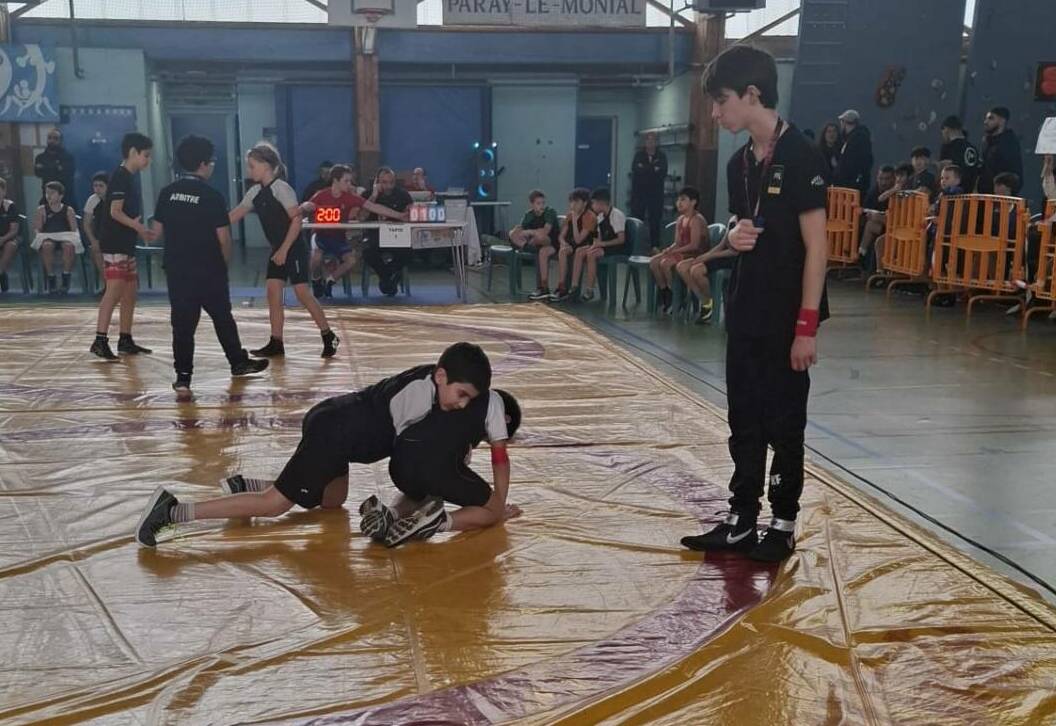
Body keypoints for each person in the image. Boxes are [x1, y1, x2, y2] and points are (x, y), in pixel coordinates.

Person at [680, 44, 829, 563]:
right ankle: (741, 518)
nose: (715, 113)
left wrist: (806, 327)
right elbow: (745, 226)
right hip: (747, 308)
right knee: (743, 417)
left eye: (720, 101)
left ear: (752, 94)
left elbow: (817, 249)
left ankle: (782, 523)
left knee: (784, 422)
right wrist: (729, 239)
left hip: (787, 316)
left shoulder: (802, 155)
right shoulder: (738, 164)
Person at [133, 342, 504, 547]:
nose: (462, 405)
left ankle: (245, 485)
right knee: (274, 504)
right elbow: (418, 458)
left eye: (470, 400)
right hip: (334, 433)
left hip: (337, 426)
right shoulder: (418, 398)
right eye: (461, 395)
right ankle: (172, 511)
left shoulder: (431, 380)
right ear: (441, 377)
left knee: (332, 499)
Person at [153, 135, 269, 392]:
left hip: (177, 270)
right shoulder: (212, 196)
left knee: (182, 325)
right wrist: (222, 266)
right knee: (222, 318)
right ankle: (237, 362)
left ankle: (183, 377)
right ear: (203, 164)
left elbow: (156, 231)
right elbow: (224, 238)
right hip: (208, 270)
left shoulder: (167, 193)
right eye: (212, 161)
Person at [361, 388, 523, 547]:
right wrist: (499, 505)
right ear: (505, 419)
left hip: (399, 465)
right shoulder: (494, 401)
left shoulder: (448, 388)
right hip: (436, 466)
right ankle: (439, 522)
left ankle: (391, 513)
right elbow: (500, 461)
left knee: (424, 491)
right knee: (492, 511)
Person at [229, 142, 339, 359]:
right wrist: (209, 222)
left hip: (293, 247)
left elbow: (296, 221)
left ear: (266, 166)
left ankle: (329, 335)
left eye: (252, 166)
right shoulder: (254, 192)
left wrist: (284, 250)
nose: (249, 171)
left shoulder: (282, 189)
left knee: (302, 293)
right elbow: (235, 214)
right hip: (278, 249)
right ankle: (276, 342)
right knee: (273, 292)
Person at [90, 132, 156, 361]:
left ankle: (125, 339)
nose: (148, 160)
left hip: (125, 242)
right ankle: (100, 340)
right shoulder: (120, 177)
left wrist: (137, 229)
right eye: (146, 155)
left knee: (130, 291)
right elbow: (114, 212)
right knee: (114, 290)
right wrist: (138, 227)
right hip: (115, 242)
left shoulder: (129, 177)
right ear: (133, 152)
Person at [302, 164, 367, 298]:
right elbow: (304, 208)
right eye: (346, 181)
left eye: (350, 181)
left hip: (338, 238)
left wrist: (399, 215)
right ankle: (316, 280)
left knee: (351, 260)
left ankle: (329, 281)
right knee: (316, 258)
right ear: (336, 181)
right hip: (319, 236)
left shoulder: (349, 197)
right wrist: (305, 206)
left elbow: (373, 206)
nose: (349, 184)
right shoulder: (320, 195)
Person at [649, 186, 707, 314]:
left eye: (683, 199)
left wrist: (675, 252)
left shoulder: (696, 219)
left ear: (693, 202)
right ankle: (665, 293)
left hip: (694, 255)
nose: (679, 203)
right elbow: (678, 242)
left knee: (665, 263)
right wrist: (669, 249)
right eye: (678, 200)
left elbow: (694, 245)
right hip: (682, 252)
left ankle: (677, 296)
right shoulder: (680, 219)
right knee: (654, 262)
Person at [564, 187, 625, 302]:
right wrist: (596, 243)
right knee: (580, 251)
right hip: (603, 245)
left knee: (591, 254)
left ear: (601, 203)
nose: (592, 206)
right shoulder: (600, 216)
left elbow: (621, 239)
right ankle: (574, 286)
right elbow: (598, 236)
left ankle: (590, 290)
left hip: (616, 248)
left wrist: (602, 244)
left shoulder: (616, 215)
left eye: (593, 203)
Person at [676, 216, 739, 324]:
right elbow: (721, 245)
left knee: (696, 271)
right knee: (683, 266)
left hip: (733, 259)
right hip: (721, 255)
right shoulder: (732, 220)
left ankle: (708, 305)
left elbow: (735, 252)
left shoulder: (747, 222)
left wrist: (711, 256)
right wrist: (706, 255)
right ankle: (704, 300)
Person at [362, 167, 414, 296]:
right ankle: (389, 278)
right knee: (367, 252)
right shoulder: (367, 194)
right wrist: (374, 196)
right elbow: (361, 217)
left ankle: (387, 279)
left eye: (391, 182)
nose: (388, 186)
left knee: (409, 251)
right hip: (375, 235)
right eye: (384, 182)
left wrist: (408, 213)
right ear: (377, 182)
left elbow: (410, 214)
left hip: (396, 235)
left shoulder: (403, 194)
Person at [543, 187, 596, 303]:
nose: (573, 205)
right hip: (571, 244)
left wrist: (576, 221)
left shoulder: (590, 216)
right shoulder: (570, 215)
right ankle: (561, 286)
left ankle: (574, 287)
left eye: (576, 202)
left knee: (578, 252)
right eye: (571, 201)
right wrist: (564, 244)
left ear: (585, 203)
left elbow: (579, 240)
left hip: (585, 244)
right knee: (562, 251)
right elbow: (561, 236)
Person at [31, 181, 82, 294]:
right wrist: (40, 230)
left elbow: (74, 229)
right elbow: (37, 229)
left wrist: (69, 237)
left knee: (68, 246)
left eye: (52, 193)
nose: (49, 196)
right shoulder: (41, 209)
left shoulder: (68, 210)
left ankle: (66, 276)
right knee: (47, 246)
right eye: (47, 193)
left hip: (65, 237)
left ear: (61, 196)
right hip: (48, 237)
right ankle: (51, 276)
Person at [511, 189, 559, 301]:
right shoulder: (529, 214)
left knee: (540, 237)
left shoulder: (550, 212)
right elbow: (520, 231)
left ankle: (543, 287)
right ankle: (527, 247)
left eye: (543, 203)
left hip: (551, 242)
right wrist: (520, 232)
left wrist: (530, 232)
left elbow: (545, 232)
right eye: (538, 203)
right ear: (532, 204)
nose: (541, 206)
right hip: (534, 242)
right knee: (513, 233)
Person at [630, 132, 668, 249]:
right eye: (648, 140)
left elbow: (662, 172)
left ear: (656, 142)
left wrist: (645, 168)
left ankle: (654, 247)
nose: (650, 143)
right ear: (645, 142)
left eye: (653, 140)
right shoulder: (638, 155)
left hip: (655, 195)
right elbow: (636, 170)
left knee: (655, 221)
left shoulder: (661, 156)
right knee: (637, 220)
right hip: (639, 195)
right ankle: (636, 245)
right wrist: (653, 169)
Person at [858, 165, 898, 264]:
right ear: (877, 178)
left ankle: (860, 255)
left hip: (896, 226)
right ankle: (861, 255)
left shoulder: (897, 193)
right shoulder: (873, 191)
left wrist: (877, 216)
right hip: (881, 227)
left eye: (887, 179)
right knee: (869, 223)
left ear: (893, 179)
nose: (883, 182)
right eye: (881, 178)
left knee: (873, 219)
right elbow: (865, 209)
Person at [978, 106, 1023, 195]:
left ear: (1002, 121)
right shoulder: (986, 141)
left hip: (1000, 195)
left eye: (991, 118)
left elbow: (1014, 171)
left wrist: (1005, 188)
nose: (986, 122)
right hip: (983, 194)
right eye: (986, 119)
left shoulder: (1010, 143)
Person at [833, 109, 873, 195]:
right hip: (850, 186)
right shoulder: (852, 139)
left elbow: (856, 163)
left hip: (852, 187)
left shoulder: (858, 139)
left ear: (844, 122)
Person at [34, 127, 76, 207]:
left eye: (55, 138)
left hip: (65, 197)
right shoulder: (40, 157)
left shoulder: (68, 157)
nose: (52, 141)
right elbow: (37, 173)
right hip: (47, 197)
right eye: (49, 138)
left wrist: (45, 168)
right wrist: (56, 168)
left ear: (60, 141)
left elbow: (65, 175)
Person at [82, 171, 109, 291]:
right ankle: (107, 285)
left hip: (117, 235)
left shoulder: (115, 199)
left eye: (101, 186)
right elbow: (86, 224)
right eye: (95, 186)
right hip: (100, 235)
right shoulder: (92, 200)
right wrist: (93, 240)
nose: (97, 189)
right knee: (95, 250)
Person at [939, 115, 980, 192]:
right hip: (969, 194)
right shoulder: (972, 148)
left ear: (946, 129)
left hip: (951, 193)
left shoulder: (948, 147)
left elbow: (944, 167)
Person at [0, 178, 22, 294]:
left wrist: (2, 239)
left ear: (4, 191)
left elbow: (14, 230)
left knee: (10, 245)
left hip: (9, 237)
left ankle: (0, 271)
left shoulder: (10, 206)